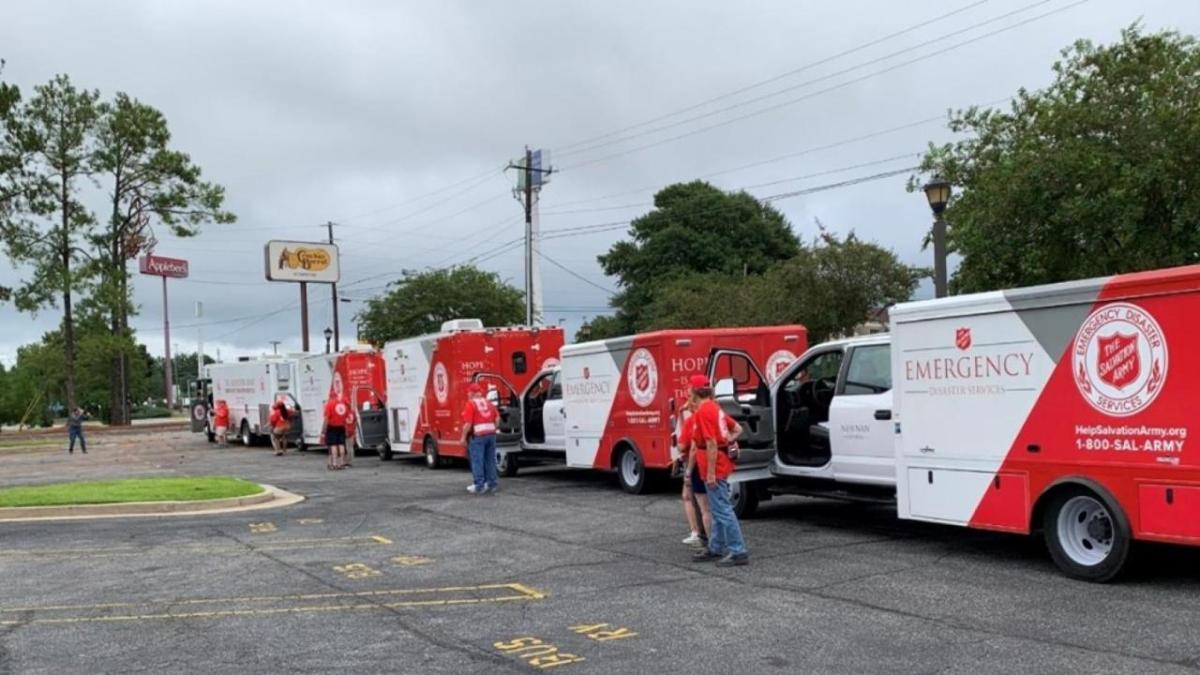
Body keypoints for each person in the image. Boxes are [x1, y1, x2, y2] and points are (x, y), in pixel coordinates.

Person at [689, 374, 750, 567]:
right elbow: (738, 429)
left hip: (713, 465)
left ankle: (738, 551)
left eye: (690, 388)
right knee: (718, 509)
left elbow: (711, 443)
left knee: (722, 510)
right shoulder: (715, 408)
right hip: (720, 463)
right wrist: (728, 442)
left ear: (695, 391)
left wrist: (711, 473)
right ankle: (716, 547)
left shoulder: (704, 411)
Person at [675, 394, 712, 547]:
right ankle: (708, 537)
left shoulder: (693, 420)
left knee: (700, 505)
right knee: (712, 506)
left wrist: (688, 471)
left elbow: (687, 447)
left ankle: (701, 535)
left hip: (696, 465)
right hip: (711, 465)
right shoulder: (714, 413)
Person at [459, 383, 499, 495]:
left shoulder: (470, 404)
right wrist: (493, 429)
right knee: (490, 460)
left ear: (472, 393)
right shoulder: (489, 403)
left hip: (478, 436)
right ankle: (491, 484)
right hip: (491, 435)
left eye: (468, 392)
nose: (468, 394)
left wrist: (463, 437)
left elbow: (468, 423)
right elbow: (497, 419)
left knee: (477, 461)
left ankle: (479, 486)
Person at [321, 384, 352, 470]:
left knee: (333, 445)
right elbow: (346, 418)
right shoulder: (343, 405)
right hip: (341, 427)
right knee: (341, 444)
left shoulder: (329, 405)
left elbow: (327, 418)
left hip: (332, 427)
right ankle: (341, 463)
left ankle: (334, 463)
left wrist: (323, 430)